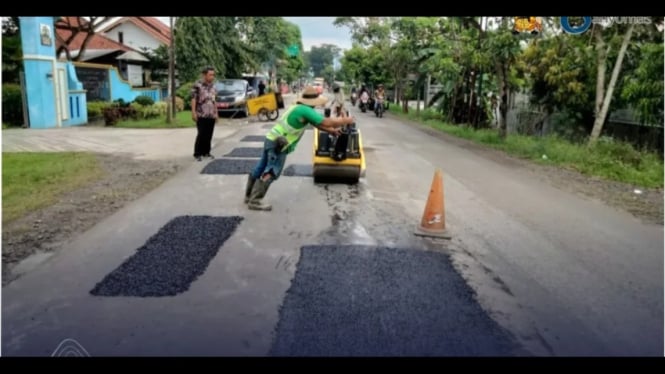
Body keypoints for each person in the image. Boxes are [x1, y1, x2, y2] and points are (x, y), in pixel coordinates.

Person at [245, 86, 355, 211]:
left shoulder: (297, 107)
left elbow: (317, 124)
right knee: (272, 171)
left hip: (271, 138)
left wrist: (332, 131)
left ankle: (248, 196)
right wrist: (345, 120)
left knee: (260, 167)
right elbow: (326, 122)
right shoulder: (306, 110)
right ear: (313, 102)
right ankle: (255, 200)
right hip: (279, 143)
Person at [191, 67, 218, 161]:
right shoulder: (197, 85)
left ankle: (206, 152)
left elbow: (214, 100)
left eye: (213, 75)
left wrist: (216, 113)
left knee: (209, 134)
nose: (212, 77)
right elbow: (194, 99)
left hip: (211, 114)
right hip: (201, 113)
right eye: (210, 75)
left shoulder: (213, 86)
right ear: (204, 75)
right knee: (201, 134)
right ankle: (197, 153)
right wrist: (193, 112)